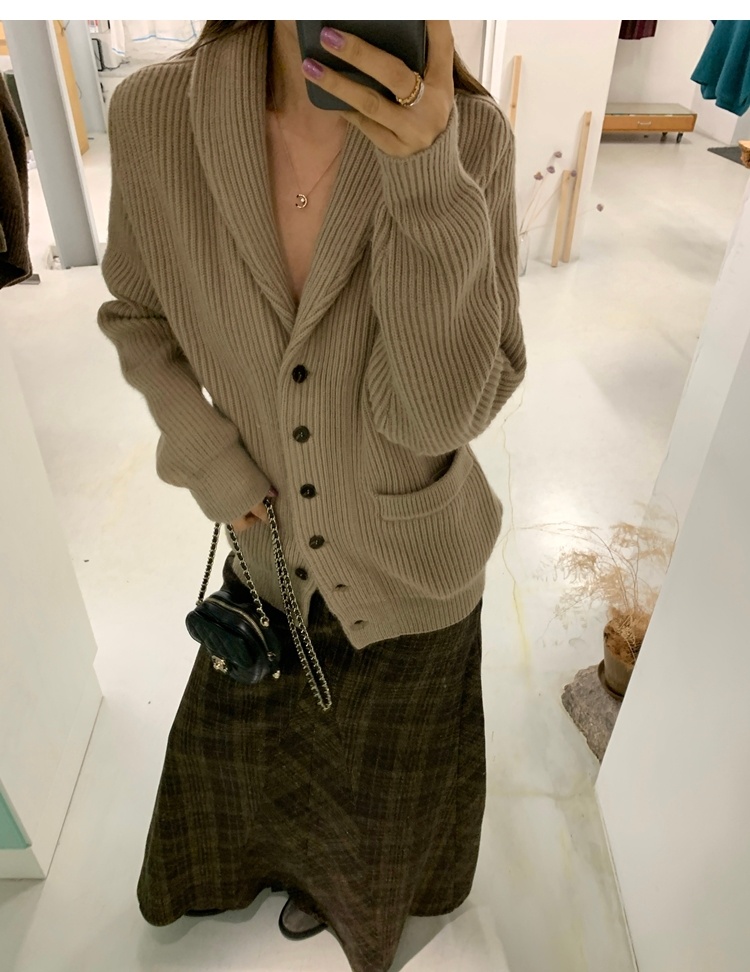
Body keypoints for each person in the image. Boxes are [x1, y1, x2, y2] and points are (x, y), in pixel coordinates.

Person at [98, 19, 526, 972]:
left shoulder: (474, 139)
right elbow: (137, 314)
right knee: (239, 764)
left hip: (412, 565)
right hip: (265, 559)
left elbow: (436, 414)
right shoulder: (155, 115)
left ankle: (342, 896)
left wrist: (426, 180)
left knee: (379, 789)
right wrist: (210, 459)